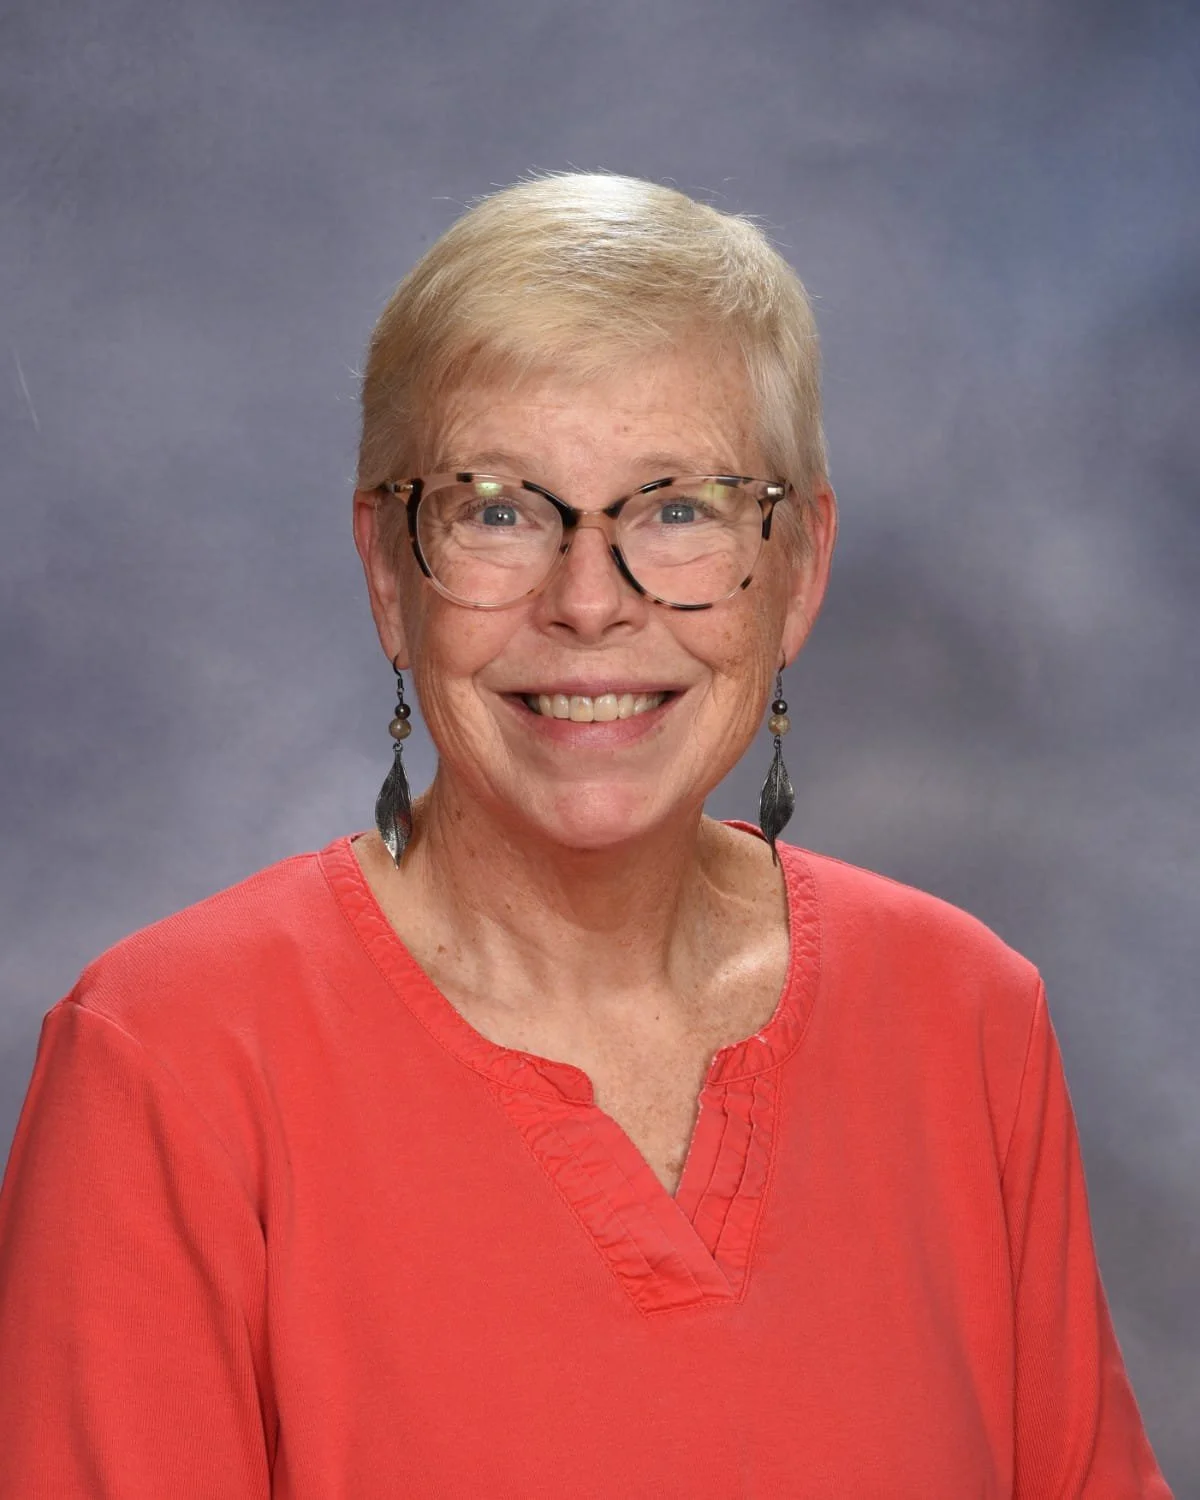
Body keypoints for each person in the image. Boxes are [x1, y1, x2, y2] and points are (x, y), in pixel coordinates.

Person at [0, 172, 1172, 1499]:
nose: (588, 603)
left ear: (801, 570)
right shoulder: (170, 1061)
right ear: (392, 574)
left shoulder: (966, 1016)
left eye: (677, 509)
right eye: (499, 510)